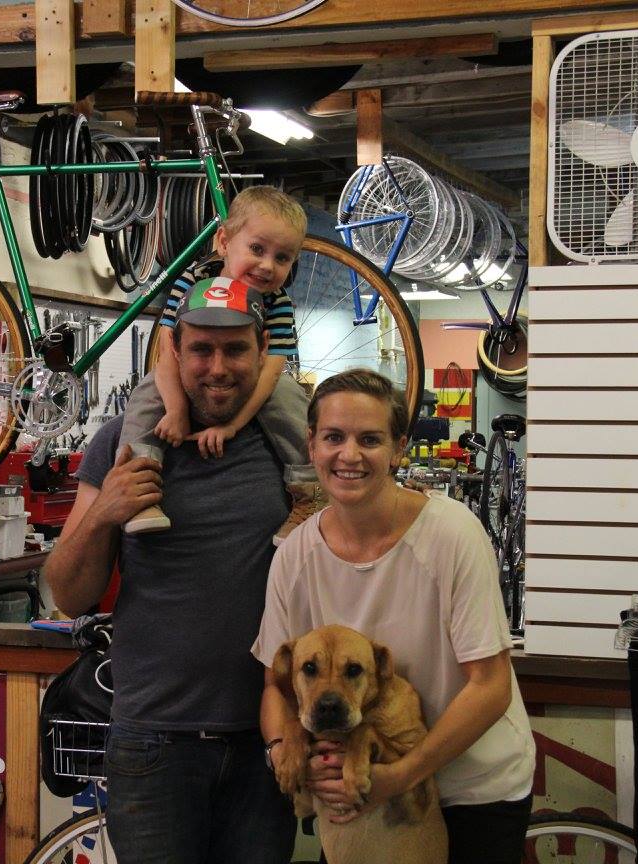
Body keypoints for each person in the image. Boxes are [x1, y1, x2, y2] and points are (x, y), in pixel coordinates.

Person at [44, 280, 297, 864]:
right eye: (201, 350)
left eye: (235, 350)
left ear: (263, 349)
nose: (217, 368)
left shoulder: (289, 445)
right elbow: (69, 594)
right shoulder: (122, 442)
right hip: (153, 741)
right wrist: (106, 509)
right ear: (174, 353)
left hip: (270, 739)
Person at [254, 368, 536, 864]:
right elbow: (274, 686)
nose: (349, 455)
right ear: (311, 445)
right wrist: (285, 752)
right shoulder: (294, 555)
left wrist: (401, 777)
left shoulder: (453, 536)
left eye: (370, 439)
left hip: (471, 791)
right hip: (361, 780)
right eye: (334, 438)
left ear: (399, 448)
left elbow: (490, 686)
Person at [118, 186, 319, 544]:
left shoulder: (277, 301)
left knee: (290, 398)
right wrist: (177, 410)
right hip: (178, 377)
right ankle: (139, 489)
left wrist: (232, 427)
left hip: (257, 385)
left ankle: (308, 495)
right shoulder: (194, 279)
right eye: (257, 249)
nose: (267, 266)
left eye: (283, 258)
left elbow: (271, 371)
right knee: (146, 394)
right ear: (224, 242)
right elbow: (168, 350)